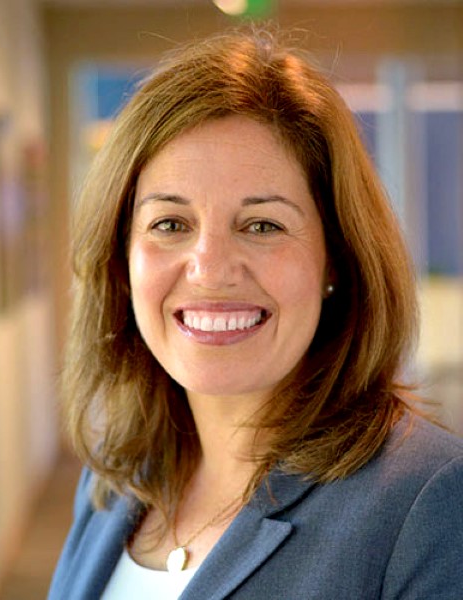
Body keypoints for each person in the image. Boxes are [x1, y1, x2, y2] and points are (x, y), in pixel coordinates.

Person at [48, 27, 463, 600]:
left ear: (336, 259)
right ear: (121, 258)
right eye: (170, 224)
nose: (210, 269)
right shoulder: (114, 481)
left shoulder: (430, 503)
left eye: (262, 225)